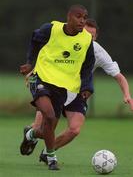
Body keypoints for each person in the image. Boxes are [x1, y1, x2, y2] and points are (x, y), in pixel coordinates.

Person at [21, 18, 133, 166]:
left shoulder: (98, 51)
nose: (87, 37)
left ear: (95, 38)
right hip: (53, 88)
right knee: (40, 130)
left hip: (76, 93)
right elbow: (45, 56)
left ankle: (48, 152)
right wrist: (33, 70)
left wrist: (127, 95)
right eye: (84, 32)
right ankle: (31, 134)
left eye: (91, 36)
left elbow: (119, 76)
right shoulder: (64, 40)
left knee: (74, 129)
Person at [19, 5, 95, 170]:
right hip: (41, 78)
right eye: (78, 16)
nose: (82, 20)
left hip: (64, 86)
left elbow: (88, 65)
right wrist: (30, 63)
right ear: (69, 17)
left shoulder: (86, 39)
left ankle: (30, 134)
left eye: (84, 17)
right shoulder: (51, 29)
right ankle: (52, 158)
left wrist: (87, 86)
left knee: (48, 128)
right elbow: (35, 39)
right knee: (50, 116)